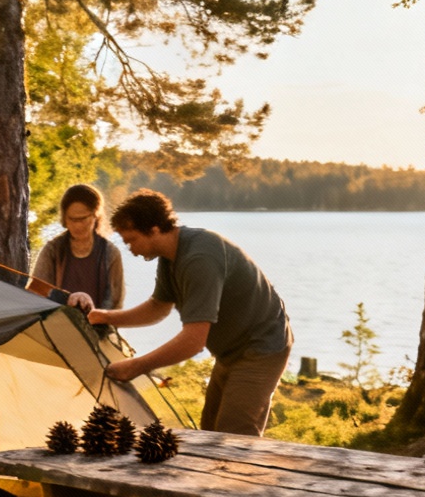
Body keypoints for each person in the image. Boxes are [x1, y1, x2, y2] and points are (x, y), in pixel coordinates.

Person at [80, 190, 293, 436]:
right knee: (210, 433)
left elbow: (193, 341)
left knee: (235, 438)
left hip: (261, 347)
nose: (130, 249)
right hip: (230, 351)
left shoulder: (199, 258)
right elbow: (157, 308)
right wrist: (105, 317)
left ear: (155, 229)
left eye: (132, 240)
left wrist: (136, 366)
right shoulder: (170, 257)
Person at [32, 183, 124, 312]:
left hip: (97, 327)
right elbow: (37, 293)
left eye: (82, 219)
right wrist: (68, 299)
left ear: (95, 216)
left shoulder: (111, 253)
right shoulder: (52, 250)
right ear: (65, 218)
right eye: (72, 219)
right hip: (57, 323)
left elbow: (115, 303)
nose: (78, 226)